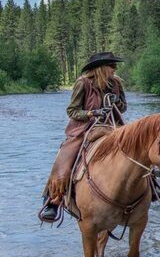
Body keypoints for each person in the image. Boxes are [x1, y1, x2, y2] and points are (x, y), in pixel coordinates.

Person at [40, 52, 127, 222]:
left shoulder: (116, 83)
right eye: (112, 65)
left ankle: (151, 188)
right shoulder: (83, 83)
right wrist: (91, 113)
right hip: (85, 129)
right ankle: (53, 199)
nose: (115, 69)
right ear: (101, 68)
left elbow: (123, 108)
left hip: (114, 127)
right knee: (66, 155)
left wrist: (117, 102)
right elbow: (72, 111)